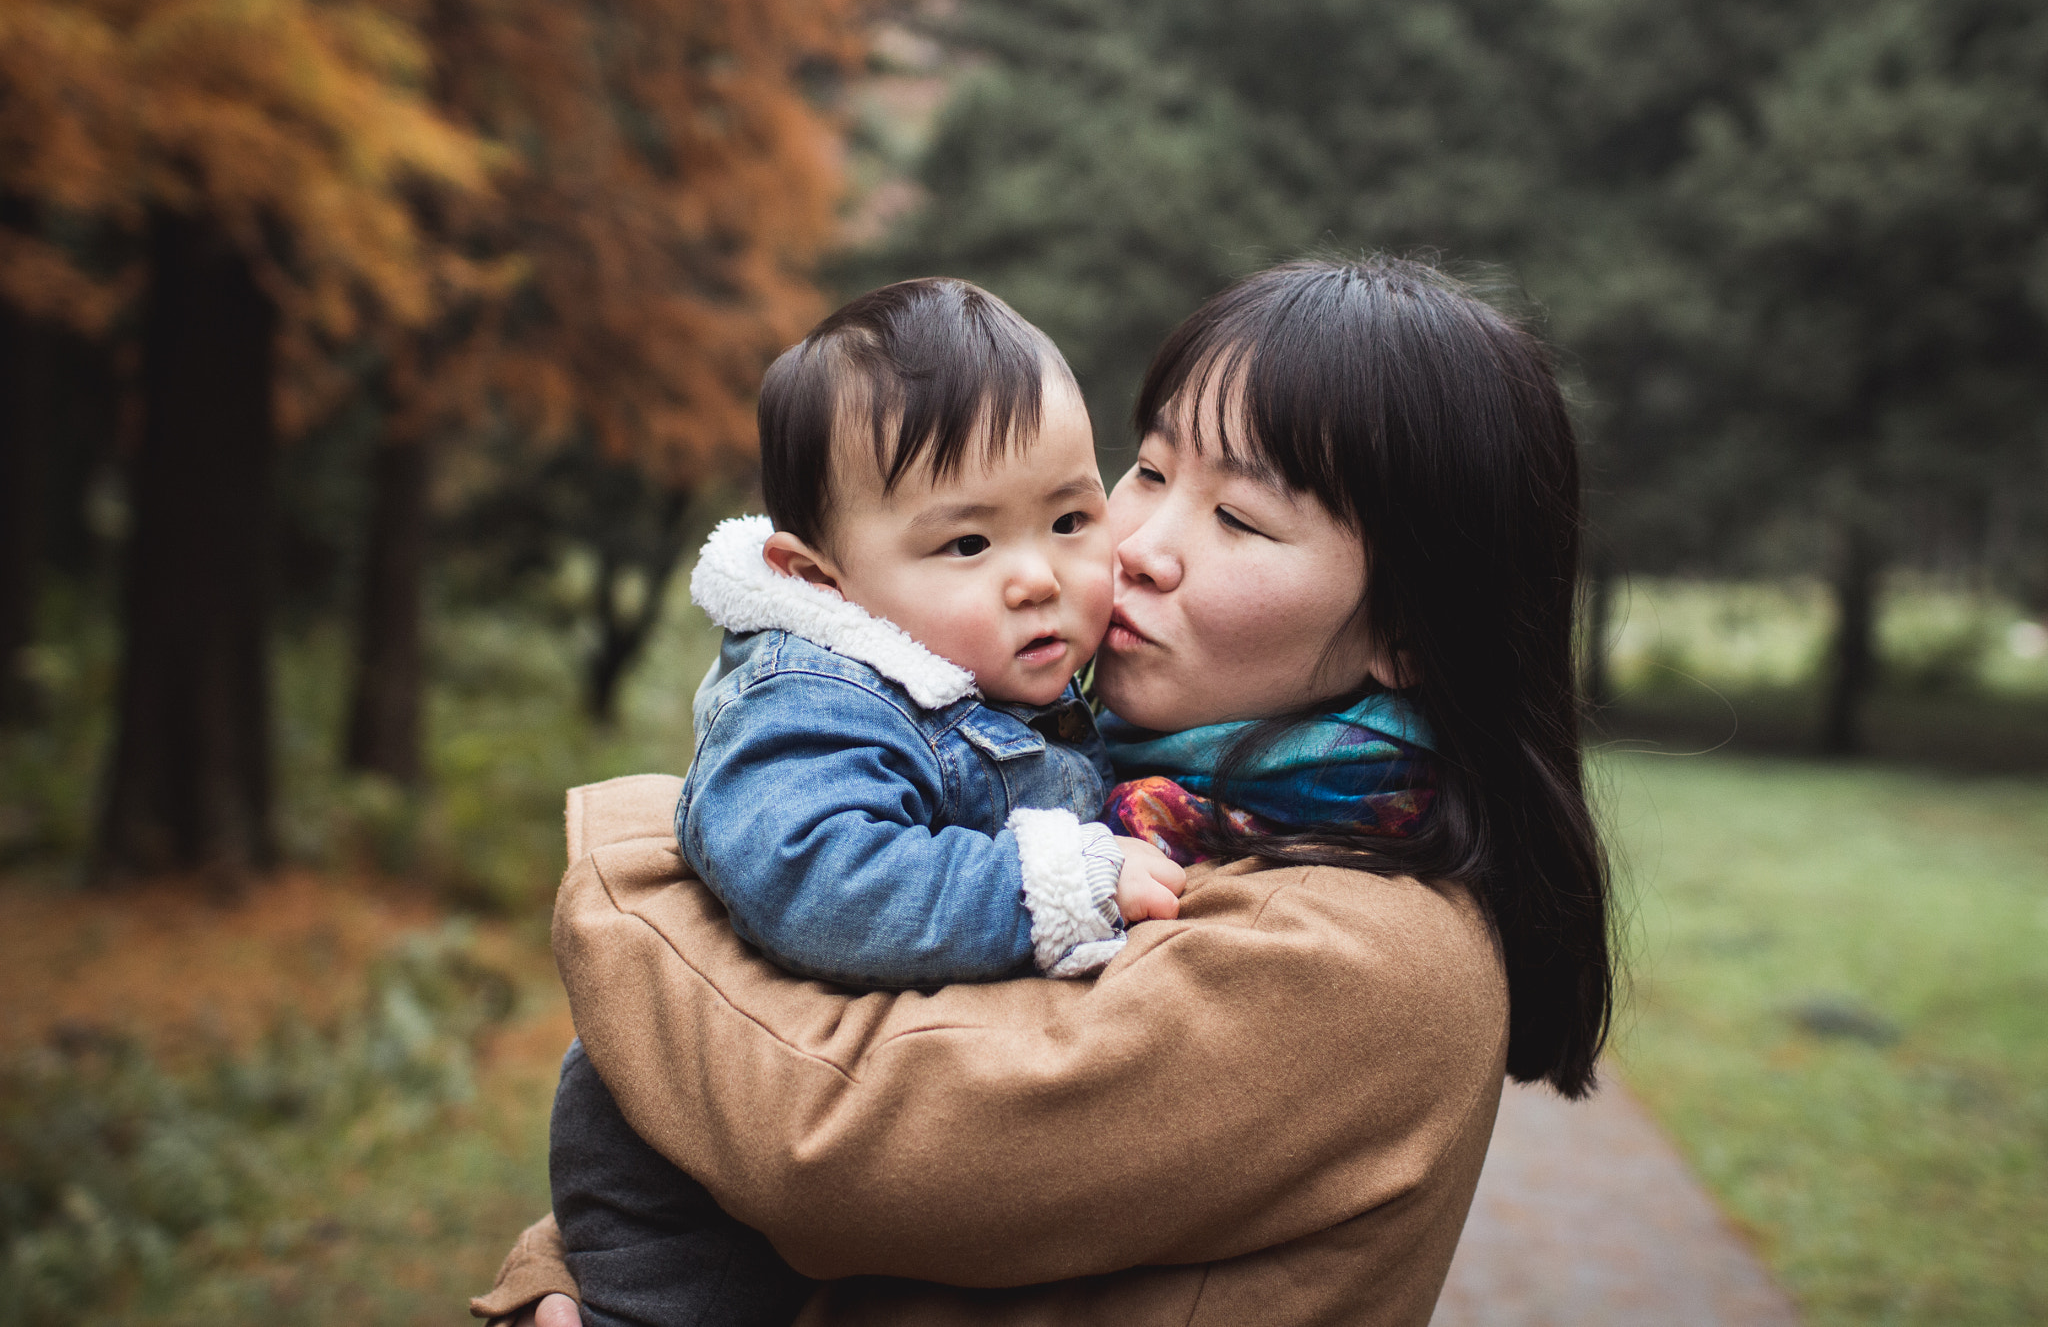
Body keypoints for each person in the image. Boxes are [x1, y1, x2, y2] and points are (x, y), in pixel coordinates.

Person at [477, 255, 1615, 1327]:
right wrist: (572, 1271)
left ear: (1410, 631)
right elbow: (744, 1095)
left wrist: (651, 850)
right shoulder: (1119, 784)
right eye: (1151, 472)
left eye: (1236, 518)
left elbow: (823, 1140)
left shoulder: (1359, 950)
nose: (1137, 545)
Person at [549, 278, 1190, 1327]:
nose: (1037, 575)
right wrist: (1051, 884)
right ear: (826, 578)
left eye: (1071, 517)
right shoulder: (813, 700)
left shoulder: (998, 680)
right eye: (967, 544)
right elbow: (816, 878)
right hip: (687, 1195)